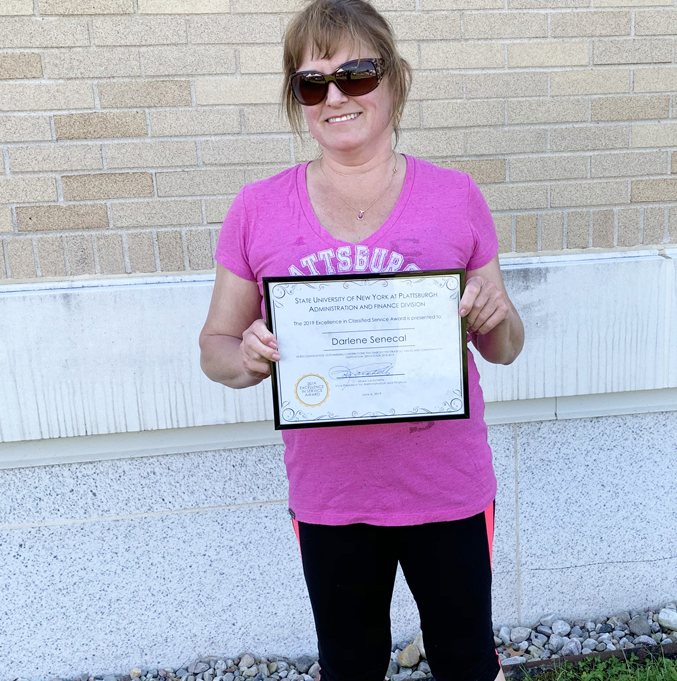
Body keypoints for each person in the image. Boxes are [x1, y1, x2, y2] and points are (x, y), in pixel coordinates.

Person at [199, 0, 524, 679]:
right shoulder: (257, 208)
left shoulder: (456, 196)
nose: (336, 97)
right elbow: (216, 347)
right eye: (312, 83)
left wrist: (495, 315)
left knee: (466, 660)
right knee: (349, 666)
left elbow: (505, 346)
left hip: (447, 484)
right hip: (331, 495)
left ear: (394, 80)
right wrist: (249, 356)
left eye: (356, 74)